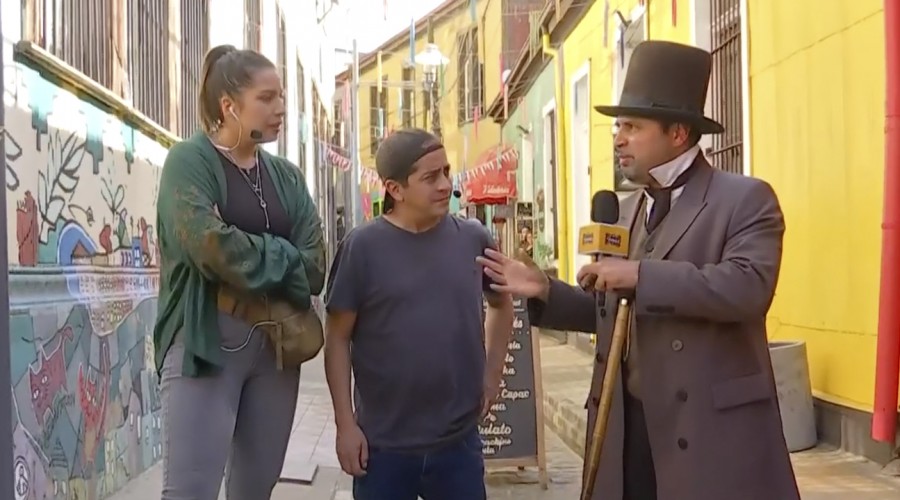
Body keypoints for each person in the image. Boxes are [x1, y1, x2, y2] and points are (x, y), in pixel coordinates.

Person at [477, 41, 800, 500]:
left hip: (709, 439)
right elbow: (611, 311)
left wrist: (641, 276)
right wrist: (545, 289)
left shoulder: (744, 200)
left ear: (678, 134)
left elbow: (747, 288)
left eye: (633, 126)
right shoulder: (627, 210)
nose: (618, 137)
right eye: (618, 126)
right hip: (629, 434)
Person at [154, 44, 325, 499]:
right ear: (229, 106)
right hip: (205, 342)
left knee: (255, 488)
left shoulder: (287, 176)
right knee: (190, 489)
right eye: (267, 98)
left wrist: (255, 250)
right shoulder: (189, 162)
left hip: (277, 348)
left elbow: (315, 267)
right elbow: (209, 246)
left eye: (282, 96)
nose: (281, 108)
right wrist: (284, 253)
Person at [323, 128, 514, 500]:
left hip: (457, 444)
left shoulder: (473, 238)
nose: (445, 184)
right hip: (383, 449)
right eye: (430, 177)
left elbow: (501, 304)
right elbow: (337, 339)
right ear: (395, 189)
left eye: (446, 172)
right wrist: (345, 425)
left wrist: (492, 376)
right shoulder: (362, 249)